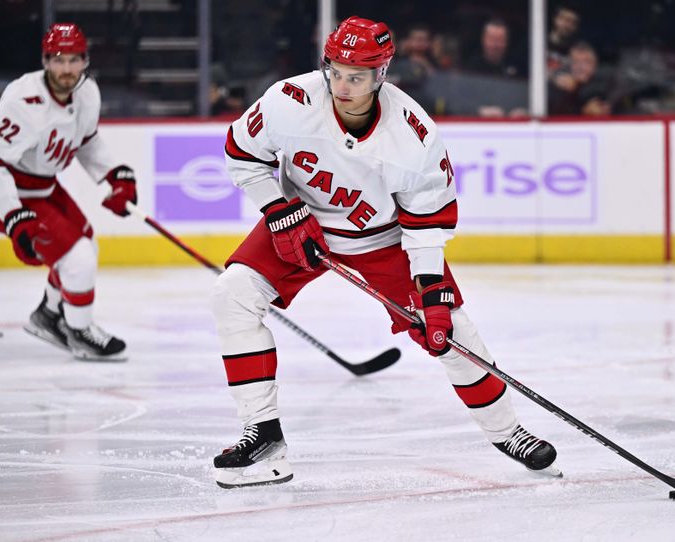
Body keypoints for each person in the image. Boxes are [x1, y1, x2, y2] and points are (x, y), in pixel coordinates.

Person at [212, 15, 560, 488]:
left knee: (451, 330)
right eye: (335, 70)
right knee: (233, 292)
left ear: (382, 74)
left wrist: (431, 290)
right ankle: (264, 435)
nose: (342, 85)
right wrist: (279, 210)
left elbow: (426, 226)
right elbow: (241, 155)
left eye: (356, 76)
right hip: (300, 225)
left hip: (384, 240)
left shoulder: (413, 135)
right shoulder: (288, 101)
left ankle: (508, 432)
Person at [0, 23, 136, 361]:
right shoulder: (25, 99)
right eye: (58, 60)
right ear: (45, 61)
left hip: (41, 184)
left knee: (85, 244)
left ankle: (50, 316)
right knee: (76, 257)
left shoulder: (88, 93)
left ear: (85, 61)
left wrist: (114, 174)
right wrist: (13, 218)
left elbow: (87, 140)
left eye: (73, 60)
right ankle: (79, 331)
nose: (66, 69)